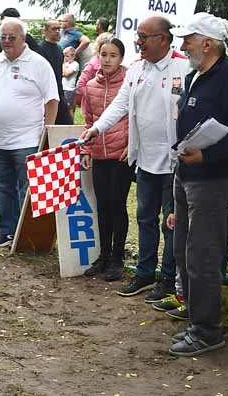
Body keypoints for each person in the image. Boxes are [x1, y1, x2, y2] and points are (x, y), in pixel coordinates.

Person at [80, 15, 190, 301]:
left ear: (163, 39)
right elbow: (120, 104)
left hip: (174, 164)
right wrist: (96, 128)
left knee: (170, 222)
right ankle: (144, 273)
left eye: (144, 37)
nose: (138, 42)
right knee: (145, 218)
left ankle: (167, 280)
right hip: (144, 161)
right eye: (138, 36)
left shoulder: (183, 67)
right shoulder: (137, 69)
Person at [169, 12, 228, 357]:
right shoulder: (195, 75)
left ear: (208, 42)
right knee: (182, 248)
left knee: (202, 253)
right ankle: (195, 316)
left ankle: (207, 329)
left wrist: (206, 157)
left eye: (189, 38)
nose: (183, 44)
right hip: (185, 173)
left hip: (212, 178)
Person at [0, 18, 59, 248]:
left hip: (28, 138)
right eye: (2, 37)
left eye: (11, 38)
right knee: (2, 186)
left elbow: (52, 99)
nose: (6, 42)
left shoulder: (39, 64)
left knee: (27, 188)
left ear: (23, 38)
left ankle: (28, 236)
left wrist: (48, 130)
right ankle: (7, 231)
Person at [80, 38, 132, 281]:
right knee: (102, 206)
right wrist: (87, 150)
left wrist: (132, 144)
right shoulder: (90, 86)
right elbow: (89, 121)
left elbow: (135, 117)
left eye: (113, 55)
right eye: (104, 54)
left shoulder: (131, 82)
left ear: (121, 58)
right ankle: (103, 254)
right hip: (99, 153)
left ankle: (117, 258)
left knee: (117, 204)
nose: (108, 59)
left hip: (121, 154)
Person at [36, 19, 73, 125]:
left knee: (67, 126)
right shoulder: (40, 50)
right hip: (45, 97)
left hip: (59, 94)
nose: (57, 31)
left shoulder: (59, 49)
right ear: (45, 31)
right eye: (54, 29)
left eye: (58, 29)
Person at [75, 32, 114, 111]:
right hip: (93, 108)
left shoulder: (110, 62)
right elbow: (80, 85)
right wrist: (93, 97)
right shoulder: (93, 64)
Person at [62, 47, 79, 116]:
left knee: (69, 108)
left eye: (67, 56)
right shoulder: (65, 64)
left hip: (69, 89)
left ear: (73, 56)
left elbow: (67, 74)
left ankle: (71, 124)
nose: (65, 58)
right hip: (63, 88)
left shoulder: (75, 64)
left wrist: (62, 65)